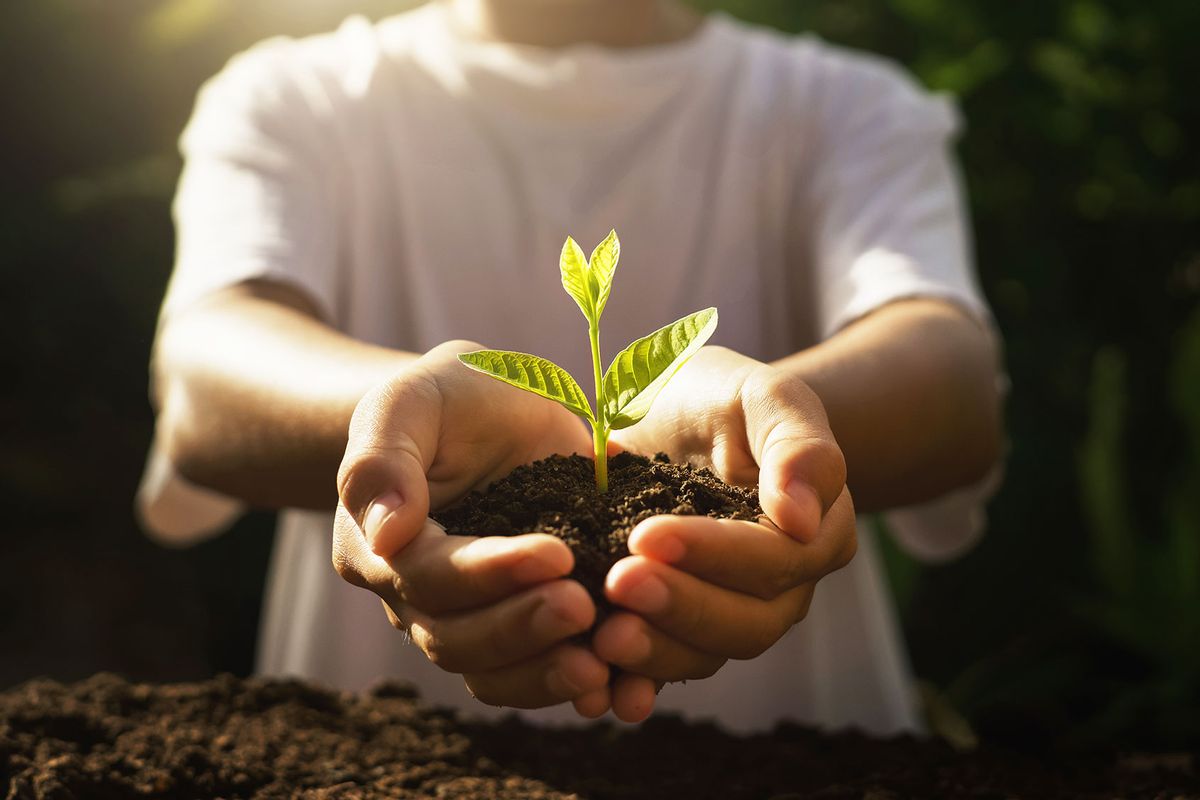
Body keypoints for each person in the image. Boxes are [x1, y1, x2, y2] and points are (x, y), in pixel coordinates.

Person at [138, 0, 1003, 733]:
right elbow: (206, 377)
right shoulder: (299, 95)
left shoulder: (846, 106)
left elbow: (950, 377)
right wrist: (403, 427)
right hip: (392, 742)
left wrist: (759, 428)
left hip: (795, 753)